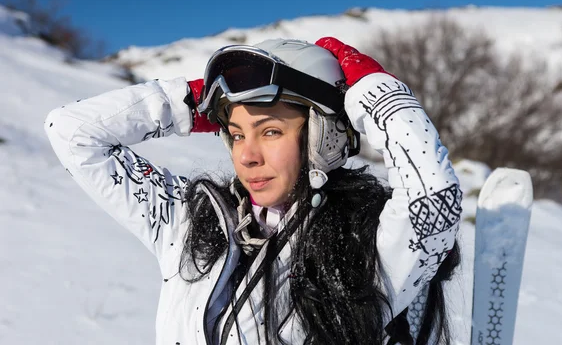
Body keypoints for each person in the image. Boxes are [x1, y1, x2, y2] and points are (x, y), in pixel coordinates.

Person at [45, 37, 462, 345]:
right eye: (236, 133)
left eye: (271, 131)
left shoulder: (368, 245)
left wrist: (374, 89)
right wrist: (191, 104)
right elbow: (72, 133)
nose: (247, 156)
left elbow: (435, 197)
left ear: (324, 137)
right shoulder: (188, 223)